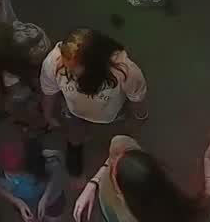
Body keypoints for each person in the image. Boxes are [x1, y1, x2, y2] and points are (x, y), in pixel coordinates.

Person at [40, 29, 147, 175]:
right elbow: (49, 91)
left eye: (74, 68)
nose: (68, 72)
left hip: (113, 116)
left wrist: (138, 119)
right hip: (74, 112)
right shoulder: (54, 61)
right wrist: (48, 115)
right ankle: (75, 151)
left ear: (93, 63)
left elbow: (136, 100)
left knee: (115, 141)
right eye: (66, 66)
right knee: (74, 134)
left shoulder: (125, 71)